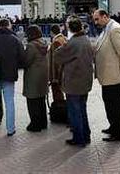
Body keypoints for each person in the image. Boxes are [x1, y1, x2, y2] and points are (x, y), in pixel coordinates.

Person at [93, 9, 120, 142]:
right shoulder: (106, 29)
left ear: (105, 17)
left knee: (115, 105)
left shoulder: (115, 29)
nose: (95, 22)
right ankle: (113, 127)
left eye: (97, 19)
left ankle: (119, 133)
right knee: (109, 103)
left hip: (114, 75)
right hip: (107, 76)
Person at [55, 16, 93, 147]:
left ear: (69, 28)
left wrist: (61, 45)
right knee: (82, 109)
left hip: (74, 82)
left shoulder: (73, 42)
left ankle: (78, 138)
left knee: (75, 111)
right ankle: (86, 135)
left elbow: (58, 56)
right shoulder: (86, 40)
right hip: (85, 80)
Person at [23, 25, 49, 132]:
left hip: (33, 76)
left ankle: (35, 124)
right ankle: (43, 122)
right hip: (43, 76)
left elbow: (26, 61)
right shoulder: (44, 43)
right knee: (41, 100)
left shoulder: (31, 46)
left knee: (32, 100)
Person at [47, 24, 67, 102]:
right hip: (63, 72)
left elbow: (55, 61)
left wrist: (55, 77)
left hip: (56, 74)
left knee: (57, 94)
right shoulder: (63, 39)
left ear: (52, 32)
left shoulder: (56, 42)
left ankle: (59, 110)